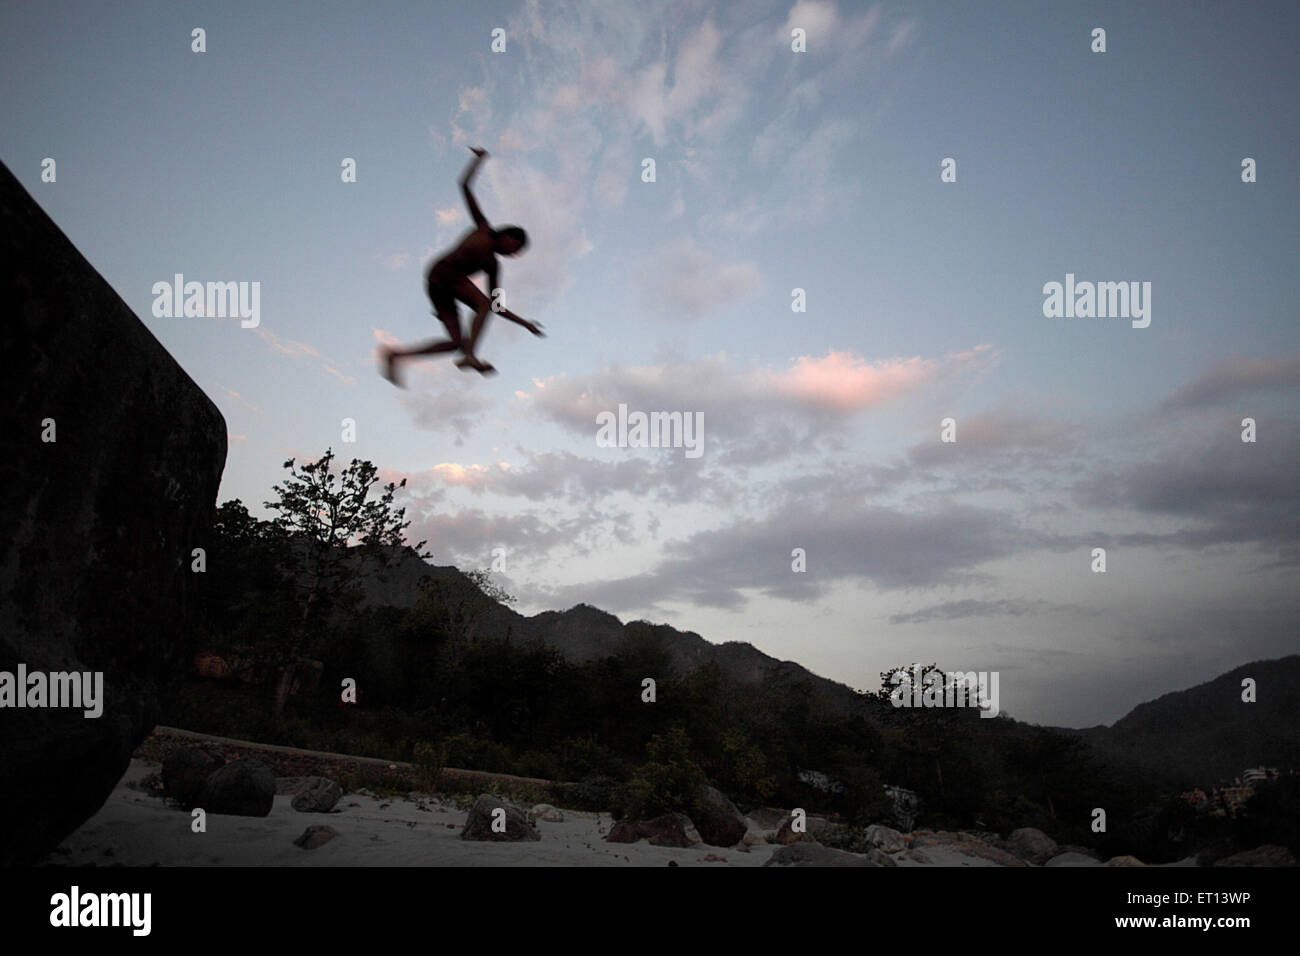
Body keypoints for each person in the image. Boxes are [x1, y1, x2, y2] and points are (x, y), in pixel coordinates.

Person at [381, 146, 543, 384]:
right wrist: (478, 160)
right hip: (443, 274)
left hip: (441, 289)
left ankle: (396, 356)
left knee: (455, 342)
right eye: (514, 246)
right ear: (506, 235)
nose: (512, 253)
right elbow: (465, 186)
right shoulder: (483, 228)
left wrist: (526, 323)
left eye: (516, 253)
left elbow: (497, 306)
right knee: (482, 305)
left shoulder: (493, 266)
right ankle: (469, 356)